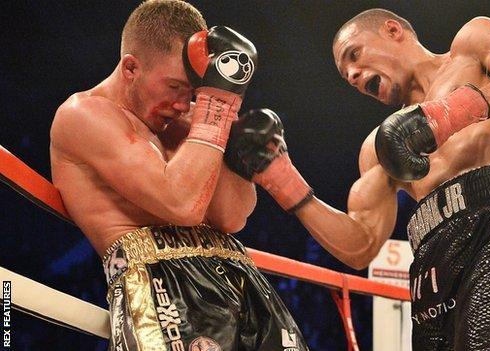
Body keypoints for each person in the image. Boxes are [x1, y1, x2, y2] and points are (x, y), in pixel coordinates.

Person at [224, 8, 490, 351]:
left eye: (355, 55)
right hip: (433, 270)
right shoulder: (380, 147)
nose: (353, 75)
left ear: (394, 31)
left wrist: (446, 116)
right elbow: (360, 246)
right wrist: (285, 182)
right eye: (347, 74)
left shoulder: (473, 46)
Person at [49, 1, 308, 350]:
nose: (183, 104)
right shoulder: (85, 115)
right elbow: (181, 204)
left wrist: (228, 126)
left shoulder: (193, 123)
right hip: (164, 291)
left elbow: (231, 217)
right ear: (131, 68)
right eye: (174, 87)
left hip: (243, 281)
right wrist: (216, 106)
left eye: (195, 91)